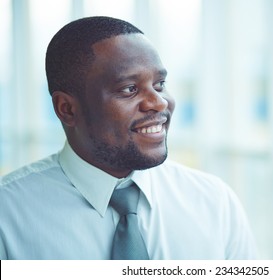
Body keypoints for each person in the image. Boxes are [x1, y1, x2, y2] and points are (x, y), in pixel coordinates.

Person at [0, 16, 257, 260]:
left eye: (159, 84)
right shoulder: (8, 215)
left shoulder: (214, 202)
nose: (158, 102)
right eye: (129, 89)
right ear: (67, 109)